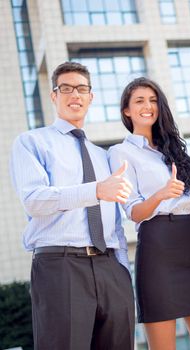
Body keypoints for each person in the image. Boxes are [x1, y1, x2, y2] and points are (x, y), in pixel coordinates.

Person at [9, 62, 135, 349]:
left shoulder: (104, 156)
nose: (74, 94)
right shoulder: (32, 142)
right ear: (54, 96)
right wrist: (96, 190)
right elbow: (34, 200)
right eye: (65, 88)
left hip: (109, 268)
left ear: (91, 97)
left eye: (81, 89)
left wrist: (122, 274)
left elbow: (113, 224)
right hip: (60, 266)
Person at [108, 77, 190, 350]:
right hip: (157, 247)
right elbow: (133, 211)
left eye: (153, 100)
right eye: (140, 101)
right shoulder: (121, 152)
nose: (148, 106)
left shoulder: (172, 150)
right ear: (126, 110)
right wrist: (160, 194)